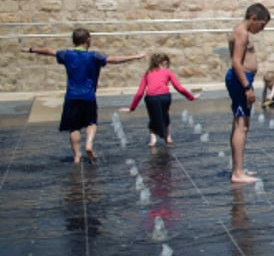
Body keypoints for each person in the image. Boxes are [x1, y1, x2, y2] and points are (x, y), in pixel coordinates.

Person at [26, 28, 144, 163]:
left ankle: (77, 155)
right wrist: (135, 56)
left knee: (74, 127)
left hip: (71, 96)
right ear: (88, 40)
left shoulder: (67, 55)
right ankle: (89, 144)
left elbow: (48, 51)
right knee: (91, 122)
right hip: (88, 96)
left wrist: (31, 49)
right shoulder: (94, 56)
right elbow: (114, 59)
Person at [226, 3, 270, 184]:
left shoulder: (241, 31)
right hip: (240, 80)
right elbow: (236, 62)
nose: (262, 29)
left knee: (240, 124)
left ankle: (238, 168)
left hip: (242, 79)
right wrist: (247, 87)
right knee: (241, 125)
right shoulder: (242, 33)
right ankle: (237, 173)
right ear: (253, 18)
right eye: (261, 25)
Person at [123, 52, 198, 147]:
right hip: (165, 97)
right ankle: (168, 137)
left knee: (153, 118)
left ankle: (152, 139)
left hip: (152, 98)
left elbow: (140, 92)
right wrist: (191, 97)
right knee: (165, 115)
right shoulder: (168, 72)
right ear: (165, 63)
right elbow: (179, 88)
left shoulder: (147, 74)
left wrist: (132, 107)